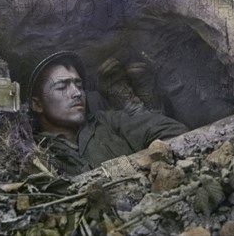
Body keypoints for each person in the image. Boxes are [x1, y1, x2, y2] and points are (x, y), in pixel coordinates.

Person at [27, 51, 189, 175]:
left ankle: (142, 106)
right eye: (62, 87)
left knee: (145, 116)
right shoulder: (33, 152)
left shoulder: (106, 120)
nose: (77, 93)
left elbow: (176, 132)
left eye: (79, 85)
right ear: (37, 104)